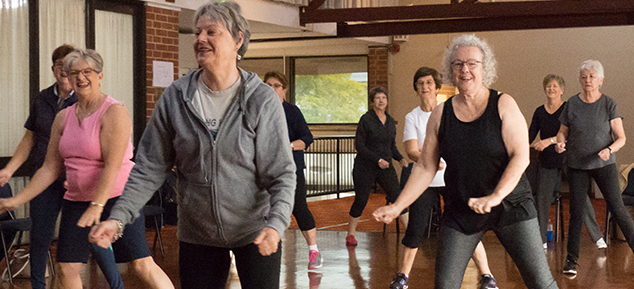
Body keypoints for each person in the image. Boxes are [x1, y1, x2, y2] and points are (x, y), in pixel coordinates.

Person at [88, 2, 296, 289]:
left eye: (212, 31)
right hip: (198, 235)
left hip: (255, 232)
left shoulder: (261, 99)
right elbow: (149, 167)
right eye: (197, 32)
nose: (200, 39)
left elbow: (281, 172)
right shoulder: (176, 97)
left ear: (238, 39)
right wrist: (118, 218)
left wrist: (275, 224)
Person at [373, 34, 558, 289]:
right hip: (462, 208)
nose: (465, 69)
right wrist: (398, 206)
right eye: (458, 64)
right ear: (451, 70)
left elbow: (521, 156)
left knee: (541, 282)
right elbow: (426, 166)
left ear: (485, 68)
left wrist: (495, 196)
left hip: (511, 205)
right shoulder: (441, 114)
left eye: (472, 63)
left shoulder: (503, 104)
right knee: (445, 284)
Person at [0, 49, 173, 289]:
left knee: (140, 264)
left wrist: (97, 205)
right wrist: (16, 201)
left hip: (117, 198)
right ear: (68, 78)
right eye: (74, 73)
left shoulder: (114, 111)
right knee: (67, 268)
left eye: (87, 72)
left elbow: (112, 166)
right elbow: (50, 168)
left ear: (100, 75)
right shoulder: (63, 117)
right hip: (77, 199)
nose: (80, 78)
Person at [390, 67, 497, 289]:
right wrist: (430, 158)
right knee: (416, 228)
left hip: (452, 180)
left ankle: (487, 275)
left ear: (437, 87)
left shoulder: (448, 111)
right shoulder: (413, 117)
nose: (425, 87)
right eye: (420, 83)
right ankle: (403, 276)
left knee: (468, 225)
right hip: (425, 182)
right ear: (416, 89)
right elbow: (411, 150)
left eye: (429, 83)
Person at [555, 59, 634, 276]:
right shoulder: (572, 103)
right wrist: (560, 141)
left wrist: (610, 149)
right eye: (583, 77)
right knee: (577, 211)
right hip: (576, 165)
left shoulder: (609, 104)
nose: (587, 80)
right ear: (579, 80)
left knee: (618, 209)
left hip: (604, 163)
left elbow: (621, 138)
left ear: (600, 80)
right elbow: (563, 131)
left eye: (591, 76)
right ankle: (571, 261)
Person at [529, 74, 606, 249]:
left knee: (581, 198)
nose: (551, 89)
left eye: (555, 86)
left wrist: (548, 141)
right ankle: (540, 240)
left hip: (569, 160)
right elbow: (529, 136)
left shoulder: (568, 108)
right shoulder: (539, 112)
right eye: (548, 86)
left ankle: (597, 236)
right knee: (542, 199)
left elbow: (570, 134)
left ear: (562, 90)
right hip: (547, 161)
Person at [264, 71, 323, 269]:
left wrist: (287, 146)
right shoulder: (260, 109)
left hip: (291, 168)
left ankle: (314, 250)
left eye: (276, 86)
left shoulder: (292, 111)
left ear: (284, 90)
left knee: (299, 207)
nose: (272, 89)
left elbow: (307, 138)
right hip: (266, 169)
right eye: (268, 85)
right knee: (264, 209)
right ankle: (266, 250)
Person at [346, 86, 409, 247]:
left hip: (385, 165)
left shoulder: (389, 121)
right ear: (372, 102)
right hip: (365, 165)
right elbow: (359, 146)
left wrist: (400, 158)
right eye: (378, 98)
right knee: (361, 199)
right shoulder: (366, 119)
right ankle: (351, 234)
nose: (381, 101)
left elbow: (391, 146)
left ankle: (410, 233)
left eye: (384, 98)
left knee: (397, 196)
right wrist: (377, 159)